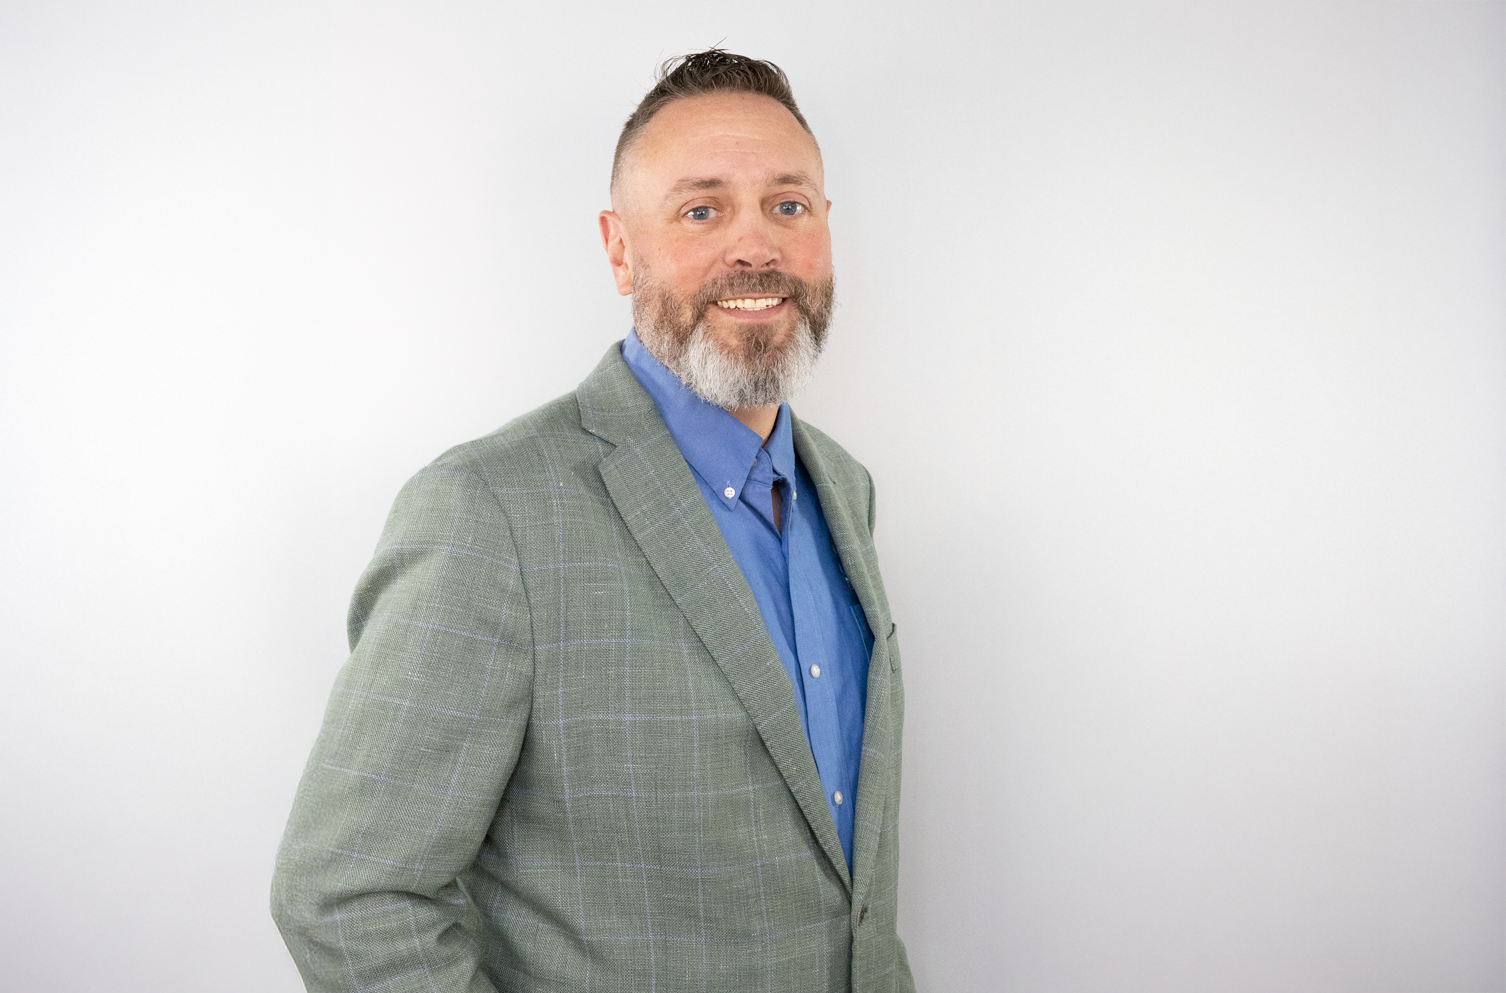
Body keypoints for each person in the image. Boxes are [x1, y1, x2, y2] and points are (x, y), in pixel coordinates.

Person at [272, 49, 916, 993]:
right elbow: (346, 893)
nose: (757, 247)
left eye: (789, 205)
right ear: (621, 249)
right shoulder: (490, 514)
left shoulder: (844, 492)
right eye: (702, 209)